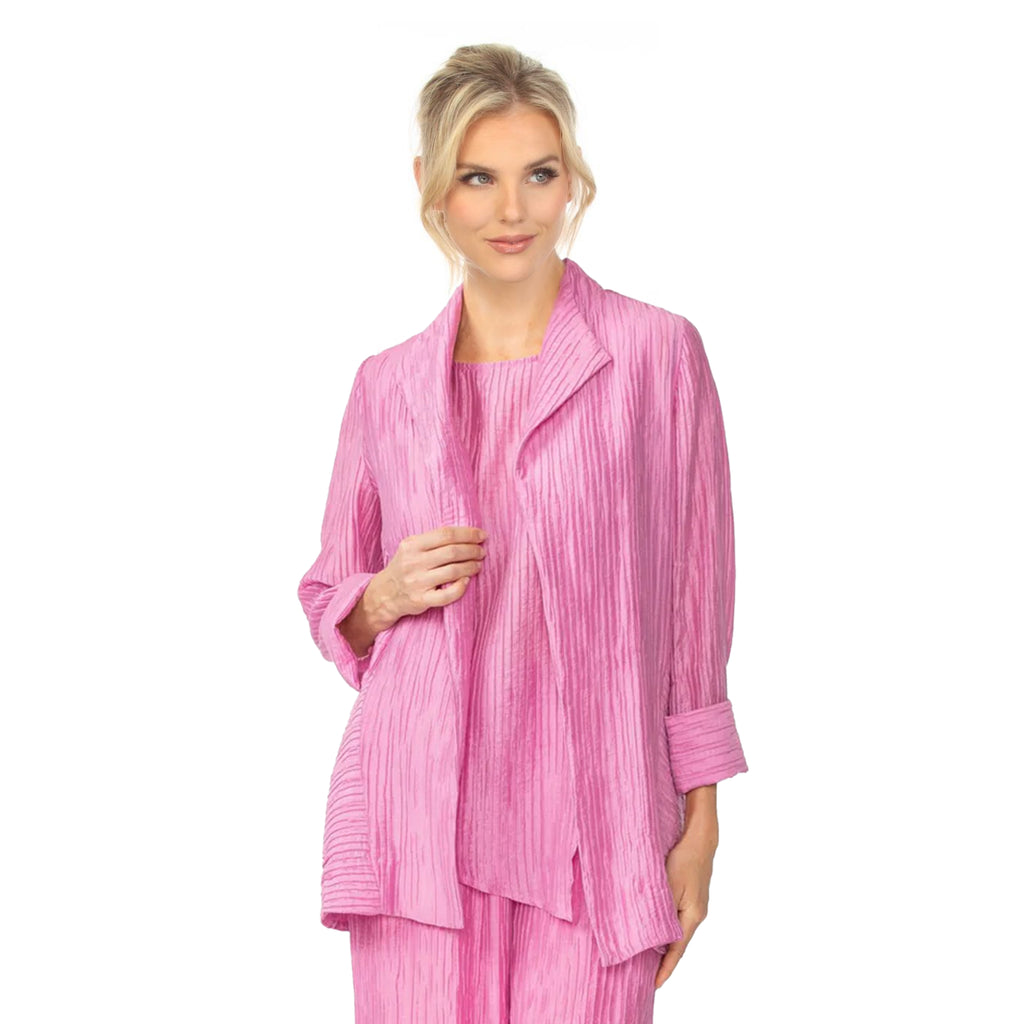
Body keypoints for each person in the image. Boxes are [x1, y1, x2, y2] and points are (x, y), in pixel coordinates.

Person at [296, 42, 749, 1024]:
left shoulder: (656, 355)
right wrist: (381, 594)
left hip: (595, 823)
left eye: (538, 174)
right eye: (478, 178)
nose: (513, 210)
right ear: (430, 185)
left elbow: (695, 600)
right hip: (418, 826)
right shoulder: (386, 385)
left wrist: (701, 823)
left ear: (571, 179)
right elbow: (333, 594)